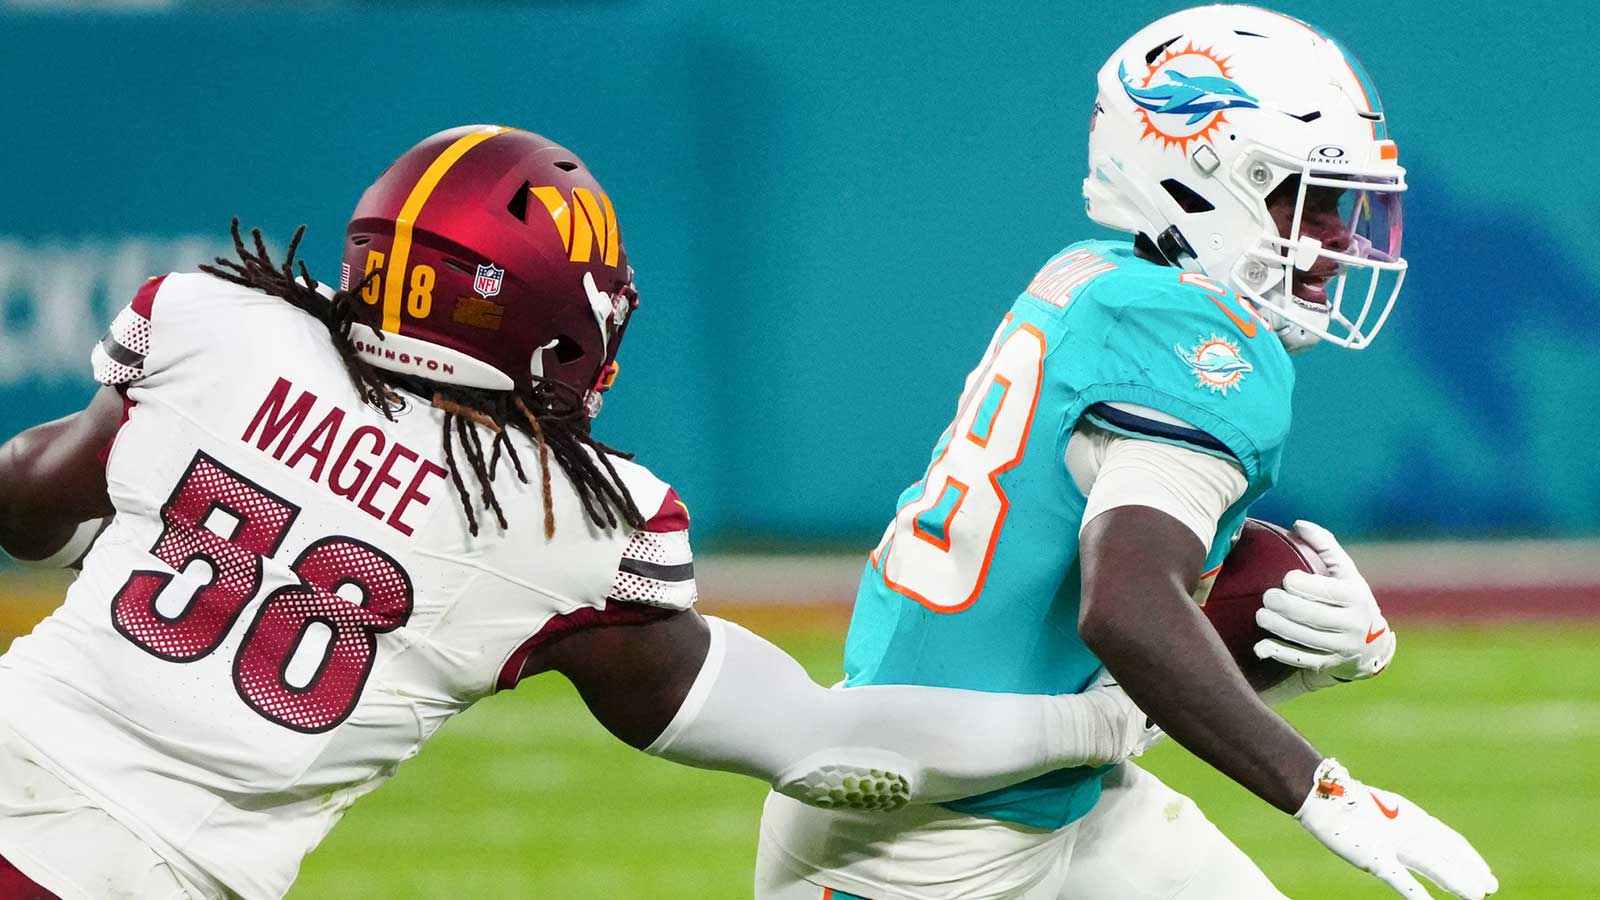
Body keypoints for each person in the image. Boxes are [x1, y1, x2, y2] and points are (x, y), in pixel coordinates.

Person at [0, 125, 1158, 900]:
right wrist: (1101, 724)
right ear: (558, 325)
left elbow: (28, 508)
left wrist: (179, 497)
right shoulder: (571, 522)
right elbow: (829, 748)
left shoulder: (220, 322)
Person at [755, 7, 1497, 900]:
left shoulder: (1096, 278)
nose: (1339, 241)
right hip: (923, 840)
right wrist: (1320, 791)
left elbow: (1105, 554)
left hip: (1013, 774)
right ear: (1201, 179)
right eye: (1309, 199)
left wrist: (1302, 618)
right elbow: (1131, 608)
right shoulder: (1199, 340)